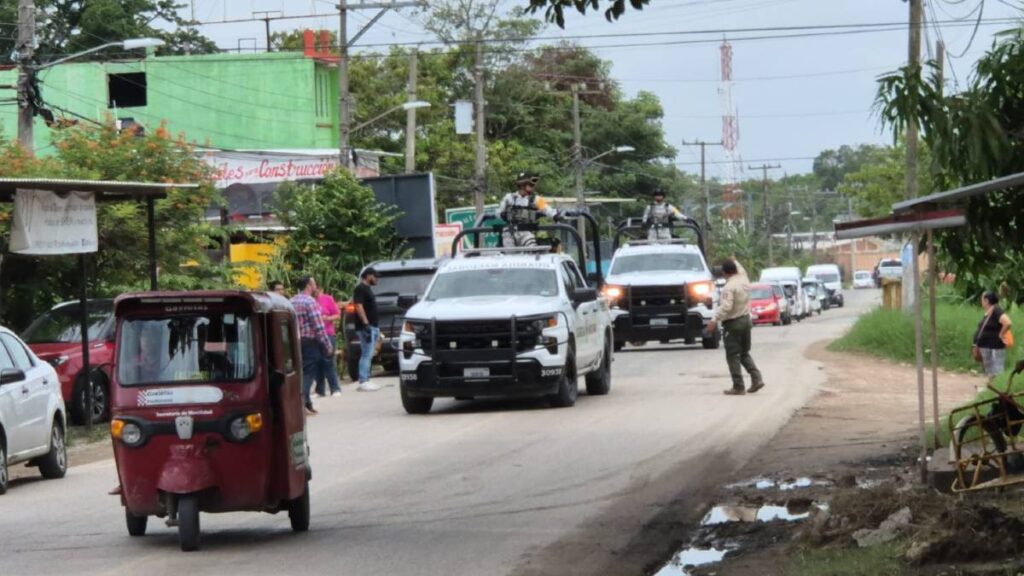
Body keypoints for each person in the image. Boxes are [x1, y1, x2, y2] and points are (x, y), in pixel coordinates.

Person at [705, 258, 765, 396]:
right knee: (744, 353)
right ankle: (757, 378)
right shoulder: (744, 279)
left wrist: (714, 320)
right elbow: (740, 268)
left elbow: (726, 306)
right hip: (746, 320)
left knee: (732, 355)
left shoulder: (729, 287)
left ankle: (738, 386)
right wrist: (734, 259)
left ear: (724, 272)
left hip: (733, 323)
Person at [290, 276, 333, 415]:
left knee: (300, 371)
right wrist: (327, 345)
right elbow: (318, 326)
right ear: (309, 285)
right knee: (309, 372)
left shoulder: (291, 301)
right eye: (314, 283)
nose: (315, 286)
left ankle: (307, 402)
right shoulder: (310, 301)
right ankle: (302, 402)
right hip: (309, 341)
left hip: (295, 342)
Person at [497, 172, 562, 247]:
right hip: (509, 232)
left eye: (533, 185)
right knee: (510, 255)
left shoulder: (536, 199)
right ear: (522, 185)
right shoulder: (509, 198)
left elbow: (547, 208)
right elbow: (498, 212)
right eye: (531, 185)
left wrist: (555, 215)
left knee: (532, 249)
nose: (533, 187)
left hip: (526, 231)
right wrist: (502, 214)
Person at [353, 268, 382, 392]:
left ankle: (367, 379)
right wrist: (366, 323)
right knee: (366, 353)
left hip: (373, 326)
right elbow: (358, 305)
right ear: (368, 276)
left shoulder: (368, 289)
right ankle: (363, 381)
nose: (376, 279)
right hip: (366, 327)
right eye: (375, 276)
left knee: (369, 354)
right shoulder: (360, 288)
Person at [974, 291, 1013, 379]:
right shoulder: (989, 312)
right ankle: (992, 388)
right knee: (990, 372)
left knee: (997, 371)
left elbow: (1008, 323)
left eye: (982, 299)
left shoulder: (996, 311)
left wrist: (1001, 334)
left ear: (986, 301)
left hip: (994, 347)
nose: (981, 302)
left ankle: (998, 389)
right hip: (986, 346)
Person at [314, 285, 343, 397]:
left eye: (317, 289)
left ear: (321, 289)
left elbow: (337, 315)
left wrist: (328, 318)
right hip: (315, 335)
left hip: (328, 333)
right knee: (317, 362)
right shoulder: (310, 300)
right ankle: (320, 390)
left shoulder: (327, 299)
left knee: (328, 361)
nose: (315, 292)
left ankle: (335, 388)